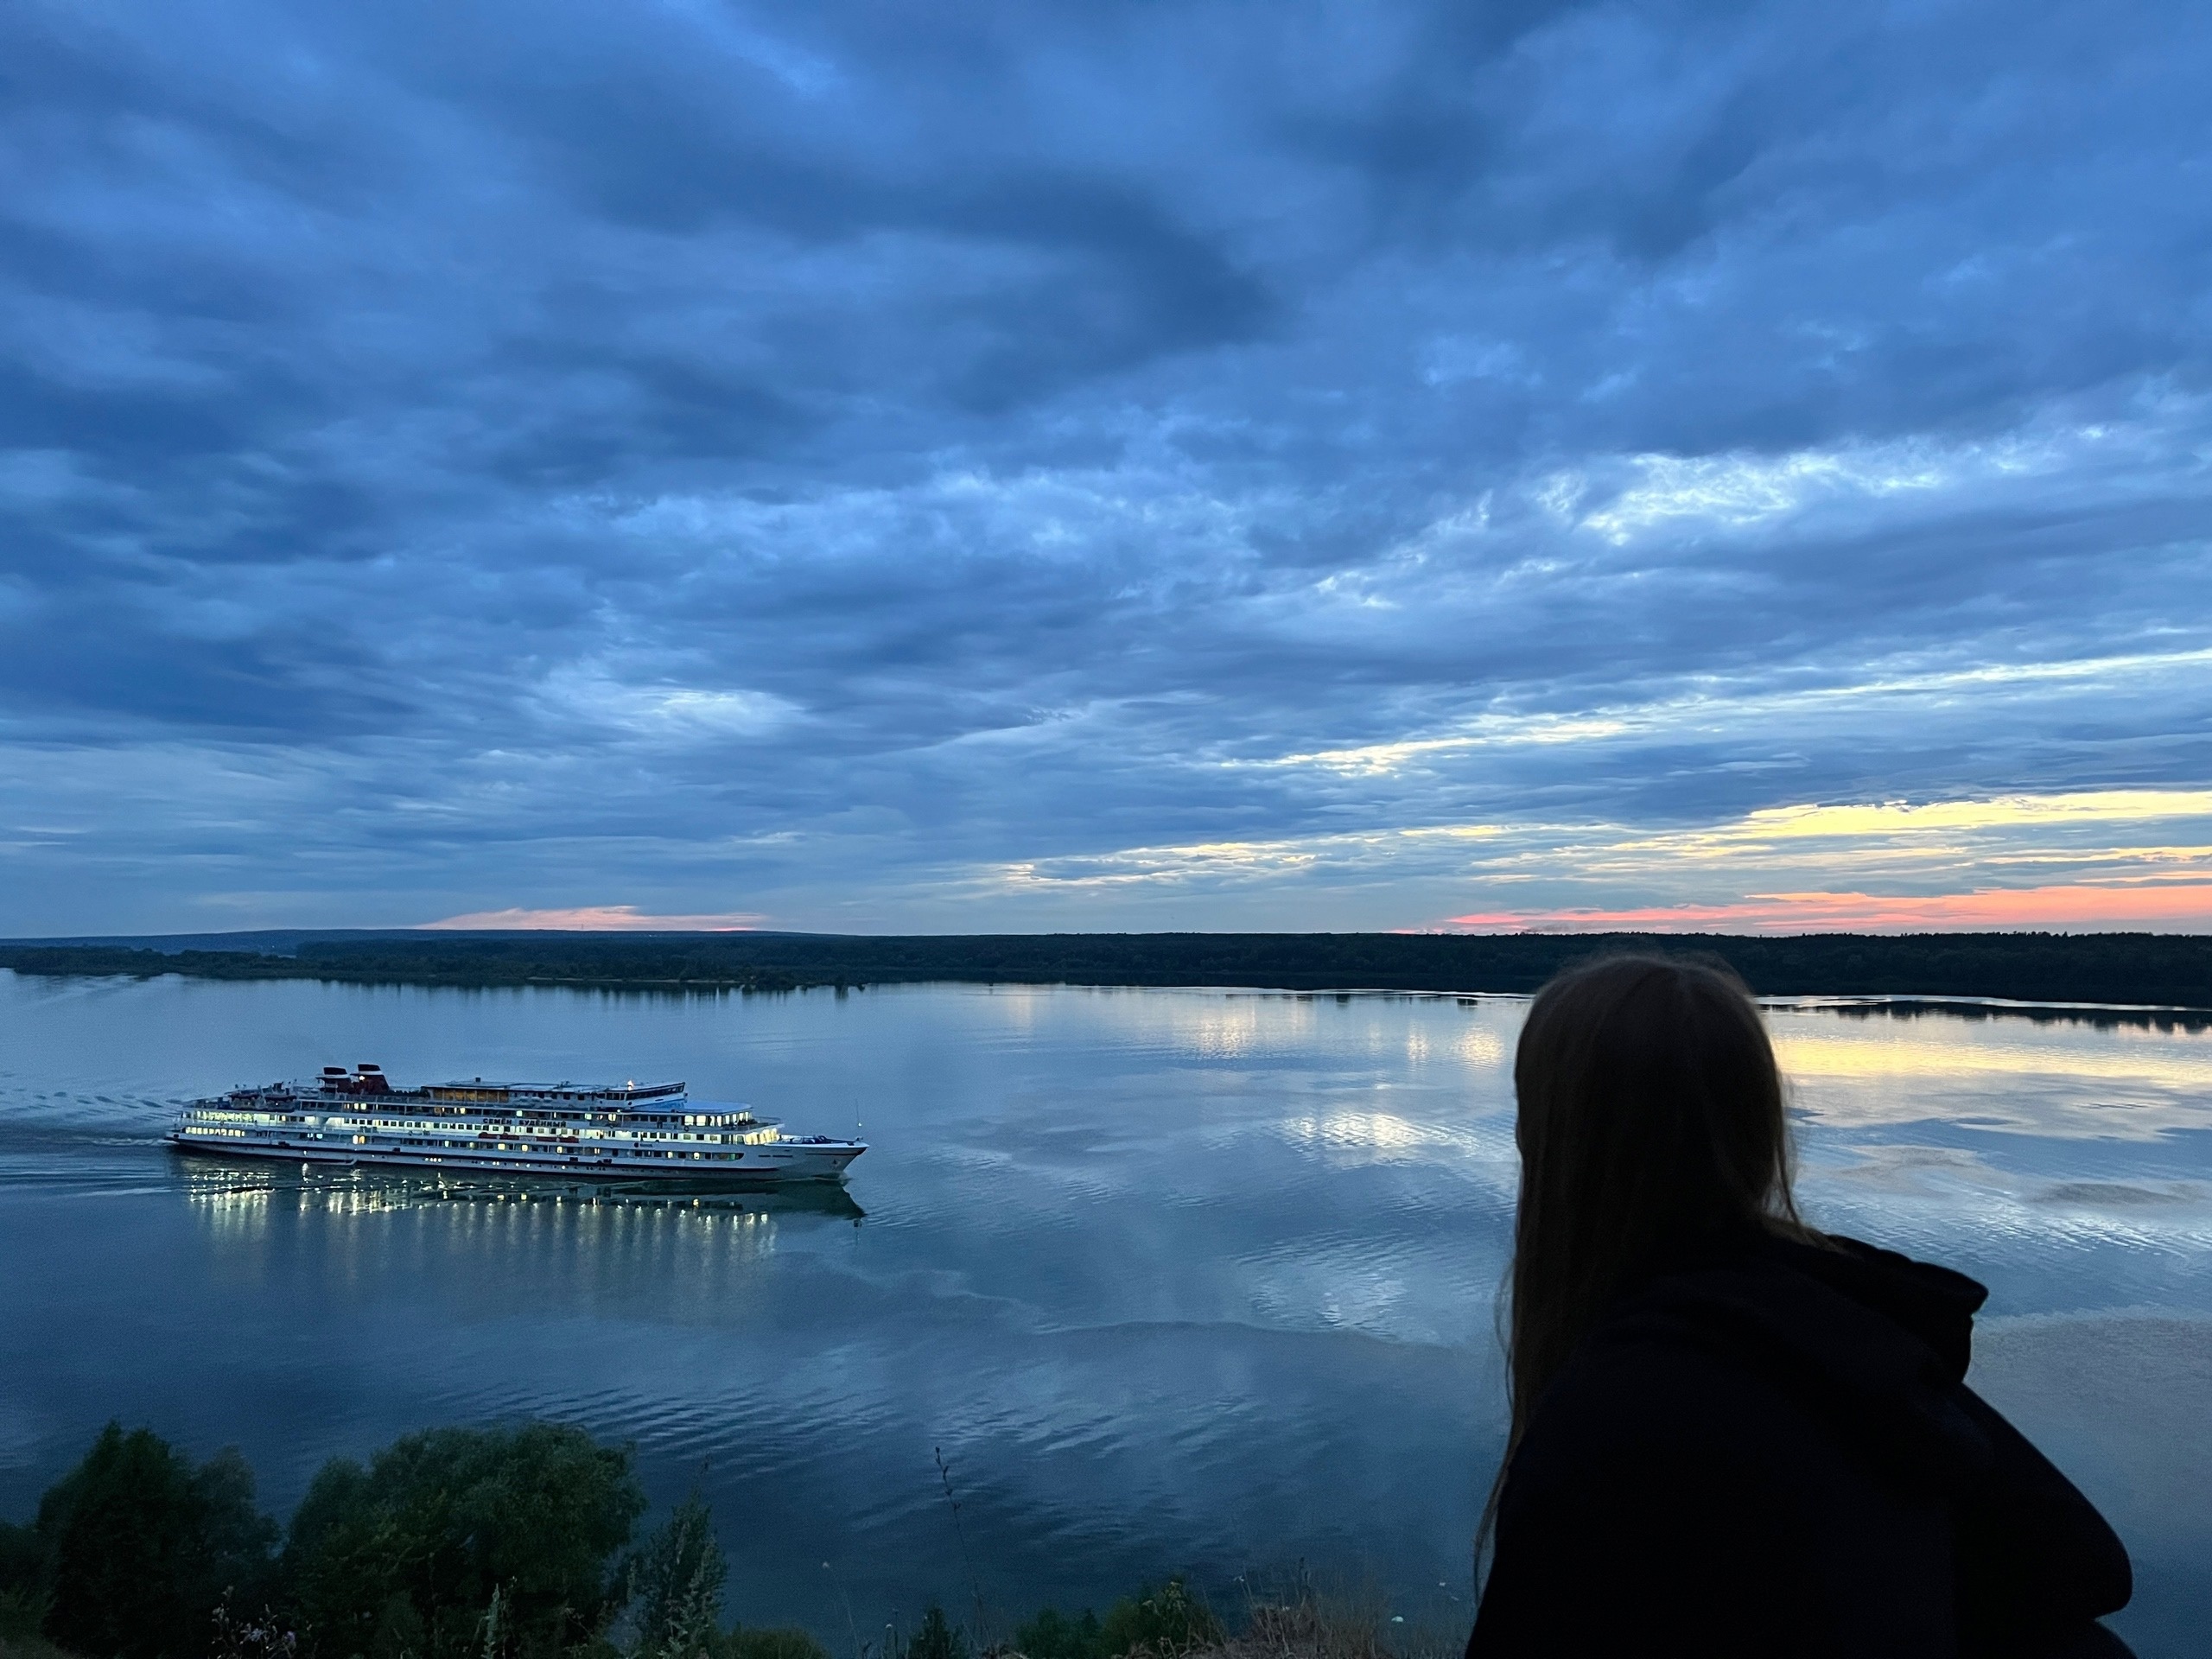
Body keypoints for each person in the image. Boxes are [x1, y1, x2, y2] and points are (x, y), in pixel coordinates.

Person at [1465, 954, 2134, 1659]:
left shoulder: (1609, 1419)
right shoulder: (1847, 1334)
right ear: (1756, 1135)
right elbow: (2085, 1566)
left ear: (1558, 1147)